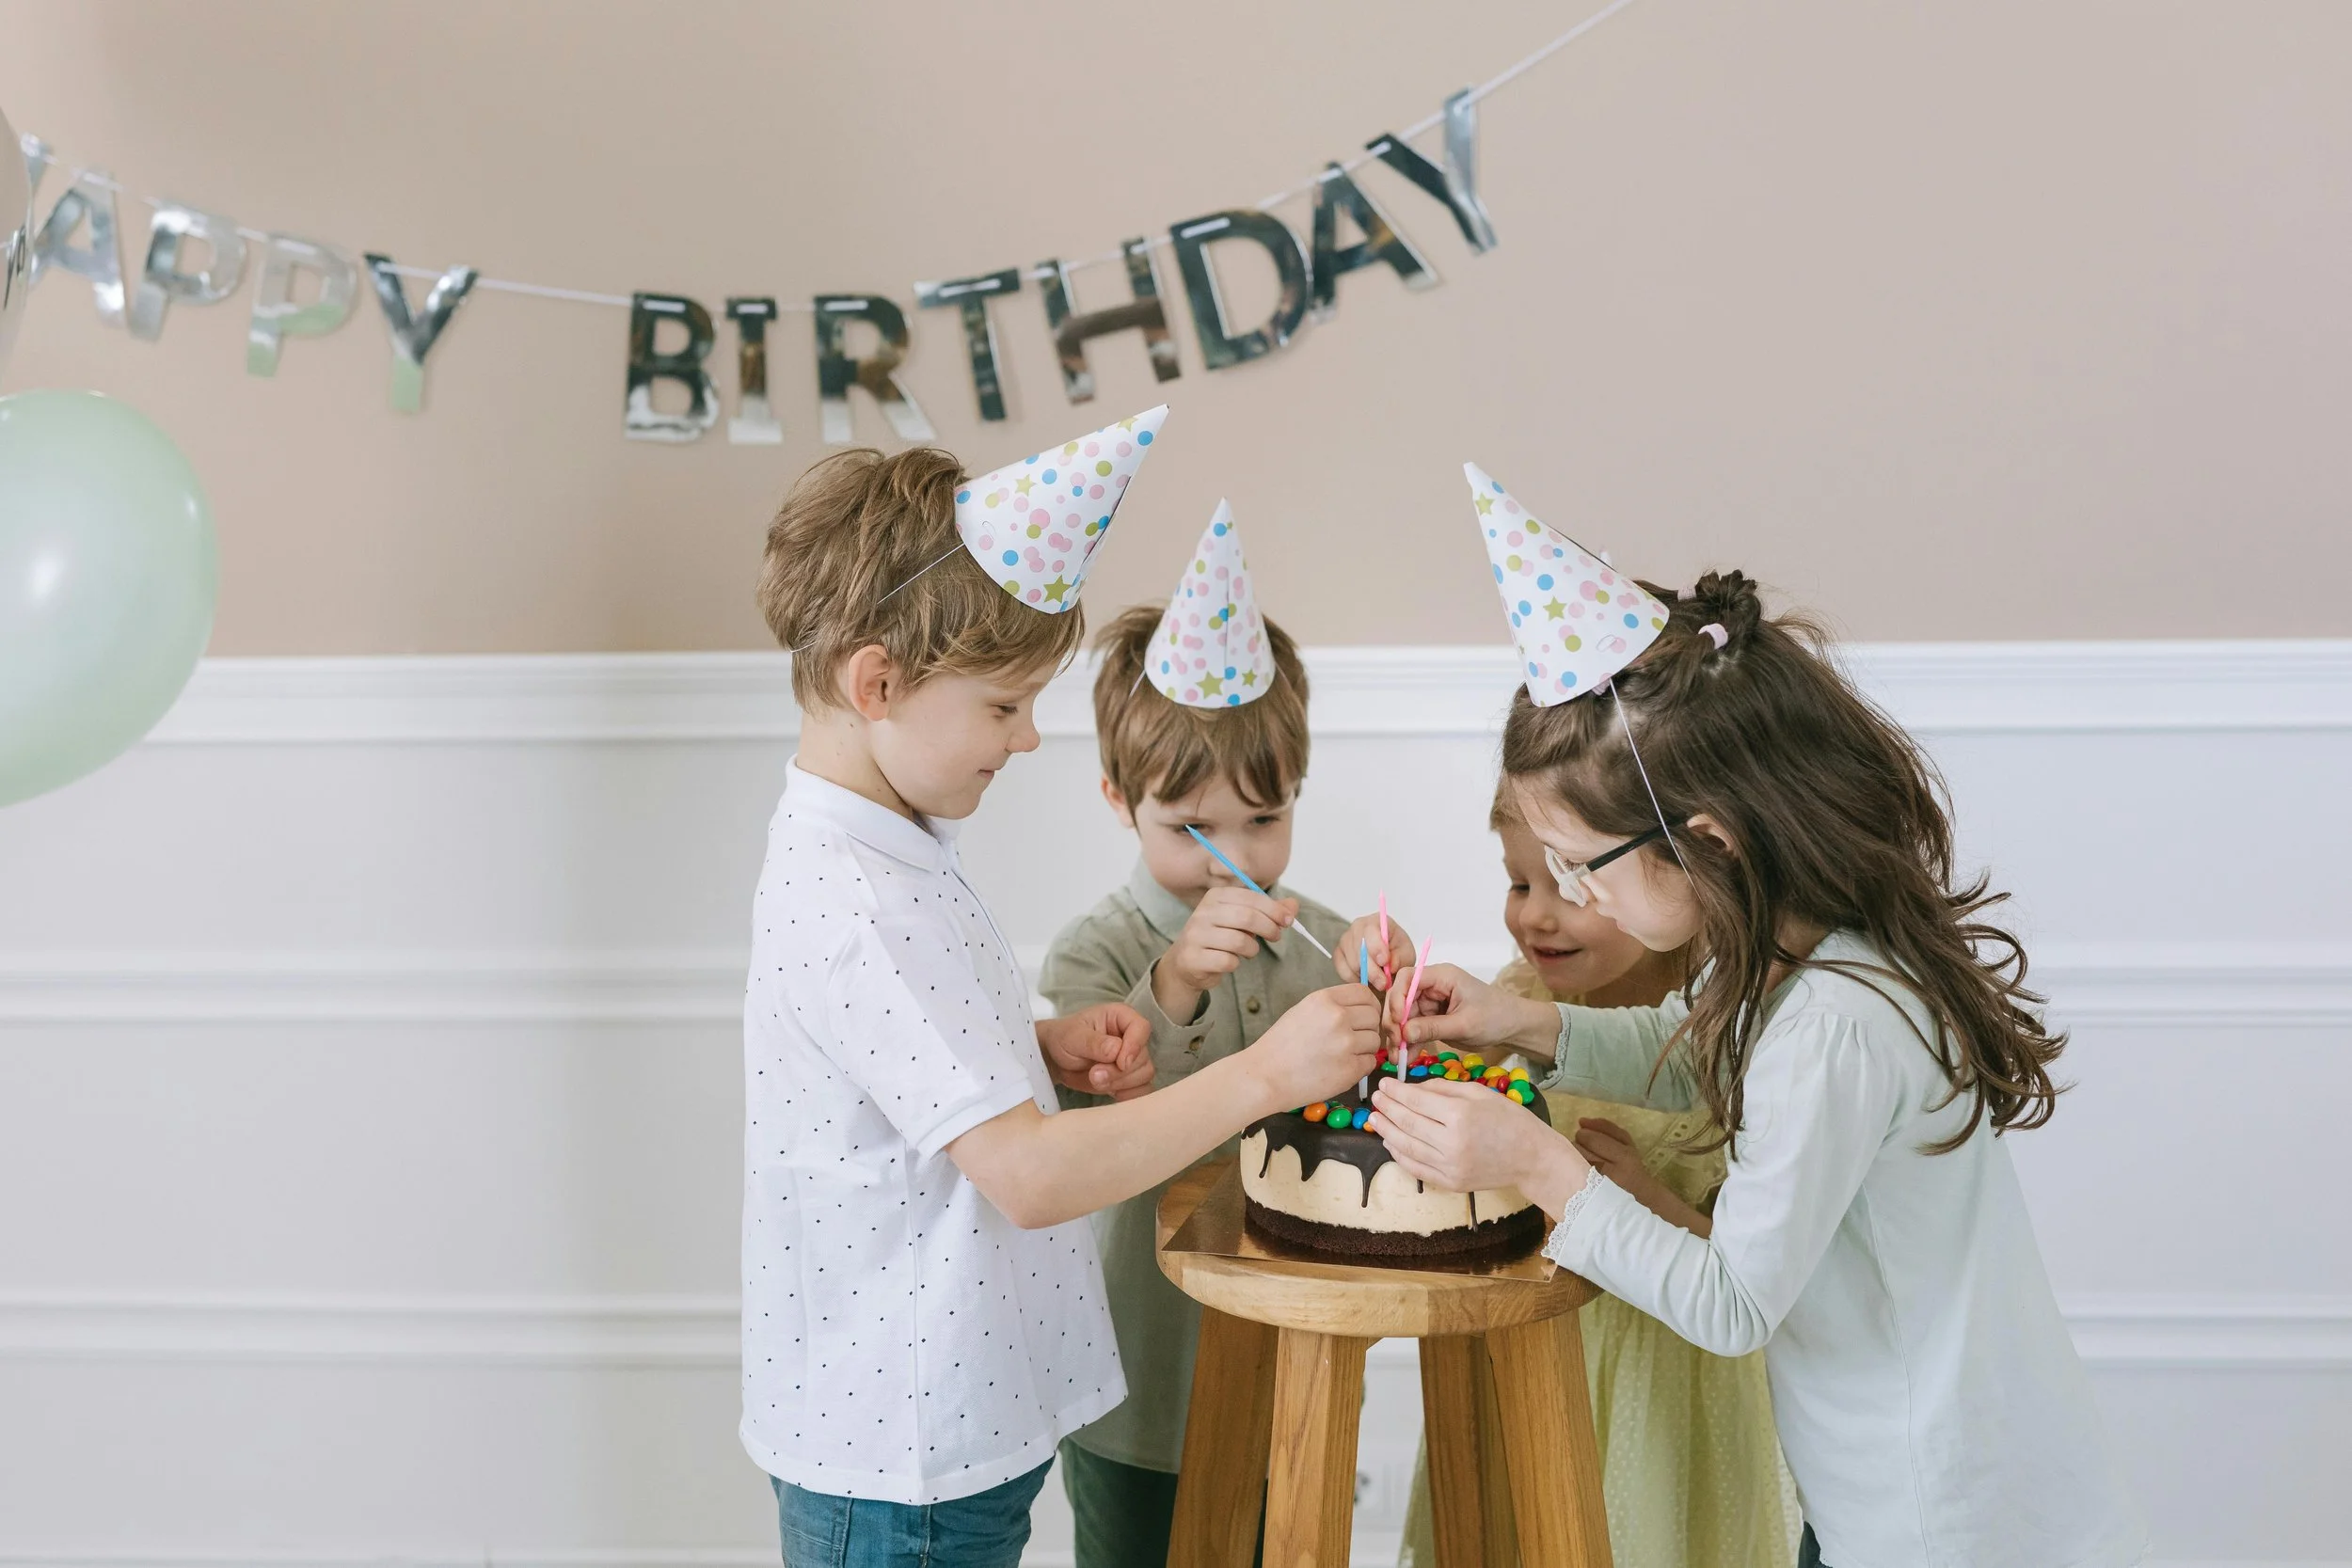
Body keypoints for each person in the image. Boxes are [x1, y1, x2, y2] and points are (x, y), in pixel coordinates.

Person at [1373, 466, 2143, 1568]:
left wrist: (1542, 1164)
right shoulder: (1800, 951)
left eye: (1584, 867)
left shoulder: (1834, 1020)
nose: (1575, 897)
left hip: (1933, 1513)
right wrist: (1520, 1020)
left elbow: (1732, 1302)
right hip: (1903, 1476)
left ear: (1710, 839)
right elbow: (1698, 1057)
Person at [741, 430, 1384, 1568]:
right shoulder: (862, 900)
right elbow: (1031, 1178)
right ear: (876, 682)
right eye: (1002, 705)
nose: (1027, 735)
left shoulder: (889, 853)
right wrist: (1264, 1075)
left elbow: (898, 1080)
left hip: (938, 1427)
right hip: (907, 1450)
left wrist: (1034, 1050)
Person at [1040, 504, 1414, 1568]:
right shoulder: (1092, 956)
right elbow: (1086, 1128)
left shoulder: (1324, 938)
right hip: (1139, 1383)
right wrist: (1177, 982)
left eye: (1264, 817)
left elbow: (1382, 1110)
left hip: (1297, 1363)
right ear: (1119, 800)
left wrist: (1395, 995)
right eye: (1190, 828)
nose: (1233, 857)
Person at [1395, 783, 1798, 1568]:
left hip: (1662, 1388)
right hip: (1521, 1356)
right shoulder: (1521, 994)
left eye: (1572, 882)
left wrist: (1642, 1198)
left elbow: (1743, 1269)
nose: (1537, 914)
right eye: (1520, 882)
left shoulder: (1732, 1032)